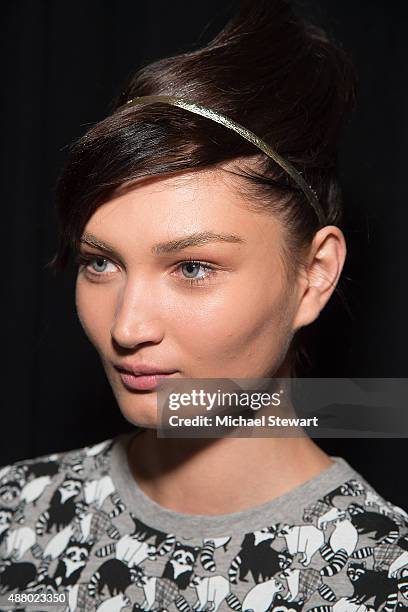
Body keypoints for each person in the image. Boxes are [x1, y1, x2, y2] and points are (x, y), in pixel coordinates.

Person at [1, 1, 407, 610]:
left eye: (192, 268)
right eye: (101, 263)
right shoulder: (16, 514)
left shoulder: (384, 577)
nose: (127, 326)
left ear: (314, 275)